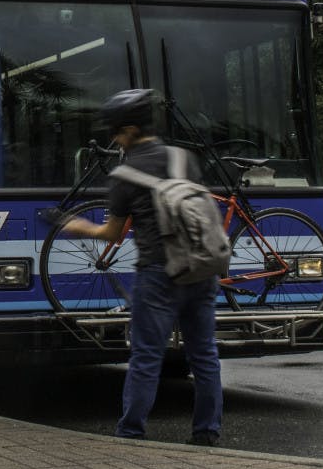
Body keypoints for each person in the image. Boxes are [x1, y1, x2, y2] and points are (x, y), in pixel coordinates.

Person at [61, 89, 223, 446]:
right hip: (201, 268)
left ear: (132, 130)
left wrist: (75, 226)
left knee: (147, 356)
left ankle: (131, 432)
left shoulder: (126, 173)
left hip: (159, 274)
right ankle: (206, 432)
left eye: (117, 132)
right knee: (205, 355)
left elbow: (112, 232)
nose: (115, 139)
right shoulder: (184, 158)